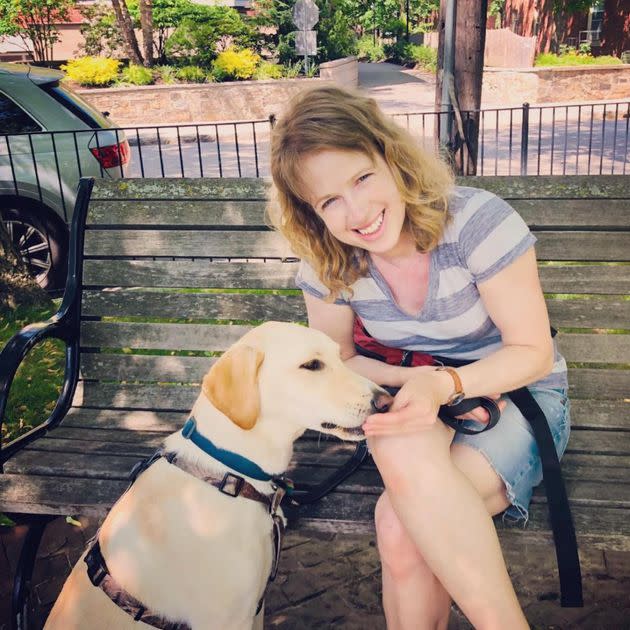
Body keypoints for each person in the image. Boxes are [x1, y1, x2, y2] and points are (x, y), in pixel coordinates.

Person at [268, 85, 570, 630]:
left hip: (522, 395)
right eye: (329, 201)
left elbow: (533, 352)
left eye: (361, 178)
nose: (357, 212)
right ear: (311, 214)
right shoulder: (327, 261)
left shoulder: (474, 222)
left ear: (392, 157)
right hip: (415, 394)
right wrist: (423, 382)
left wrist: (445, 385)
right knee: (403, 485)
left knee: (399, 524)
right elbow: (338, 359)